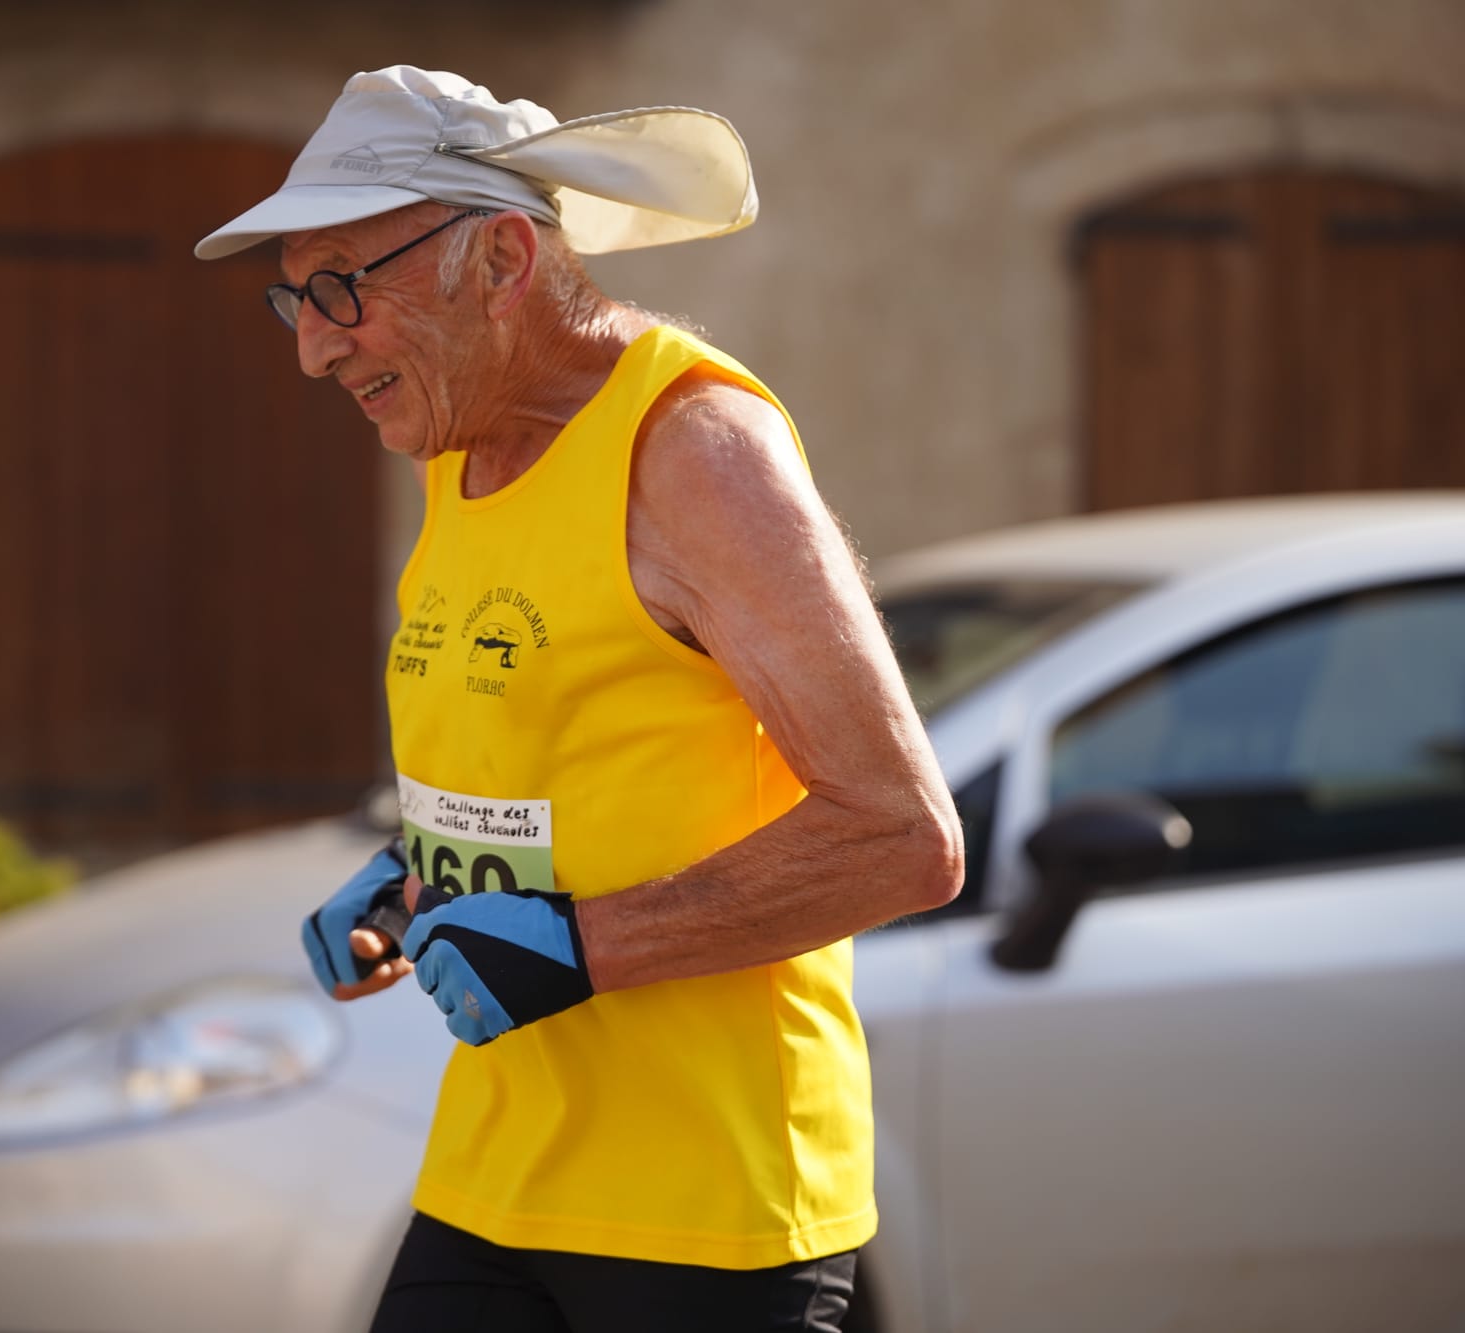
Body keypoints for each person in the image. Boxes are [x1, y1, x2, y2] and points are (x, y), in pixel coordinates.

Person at [196, 66, 963, 1333]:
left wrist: (582, 946)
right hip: (496, 1173)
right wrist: (420, 872)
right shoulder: (458, 445)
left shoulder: (696, 450)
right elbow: (579, 759)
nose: (312, 346)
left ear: (498, 259)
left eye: (342, 287)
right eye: (293, 295)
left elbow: (901, 835)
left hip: (704, 1215)